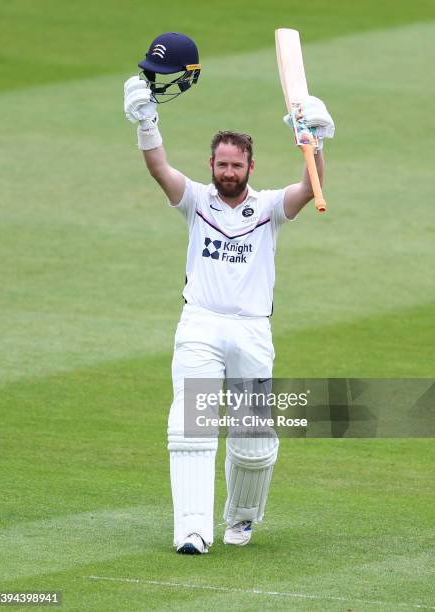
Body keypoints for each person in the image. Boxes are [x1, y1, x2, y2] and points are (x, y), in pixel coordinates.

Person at [124, 65, 334, 554]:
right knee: (188, 424)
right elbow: (160, 168)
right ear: (212, 164)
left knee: (254, 439)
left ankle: (240, 520)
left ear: (250, 167)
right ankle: (191, 529)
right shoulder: (195, 200)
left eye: (236, 166)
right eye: (221, 165)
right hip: (199, 324)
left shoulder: (268, 208)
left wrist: (315, 140)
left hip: (252, 330)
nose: (228, 173)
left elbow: (310, 188)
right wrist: (145, 122)